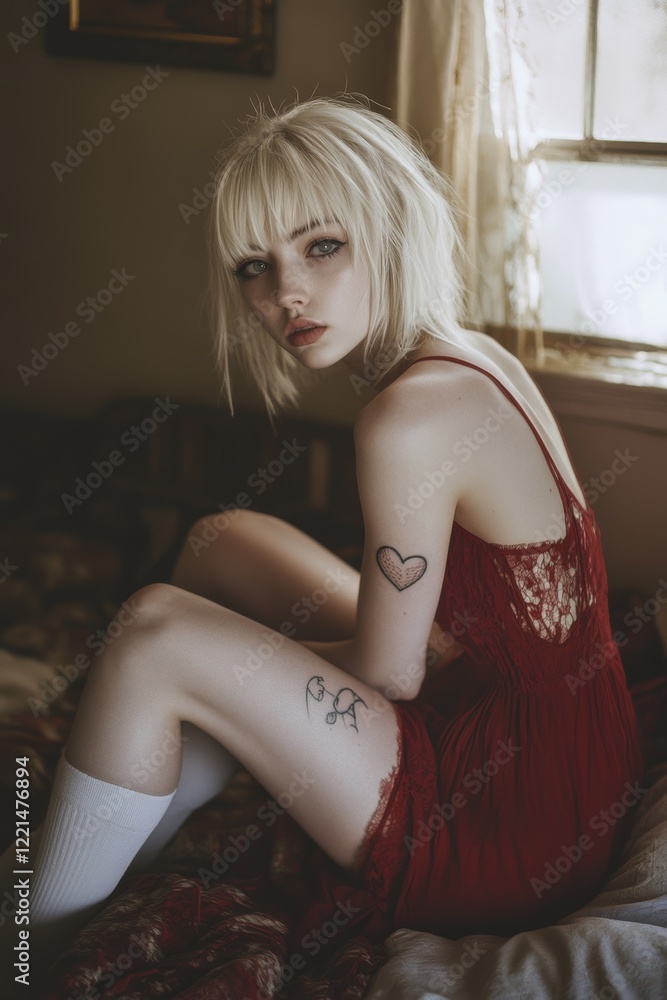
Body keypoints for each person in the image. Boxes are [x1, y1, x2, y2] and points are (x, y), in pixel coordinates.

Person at [2, 93, 644, 992]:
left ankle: (26, 945)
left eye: (321, 247)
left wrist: (229, 673)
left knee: (153, 632)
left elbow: (389, 679)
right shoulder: (470, 352)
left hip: (514, 822)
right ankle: (135, 820)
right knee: (221, 542)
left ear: (388, 227)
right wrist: (240, 678)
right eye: (255, 267)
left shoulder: (408, 417)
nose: (282, 294)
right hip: (558, 736)